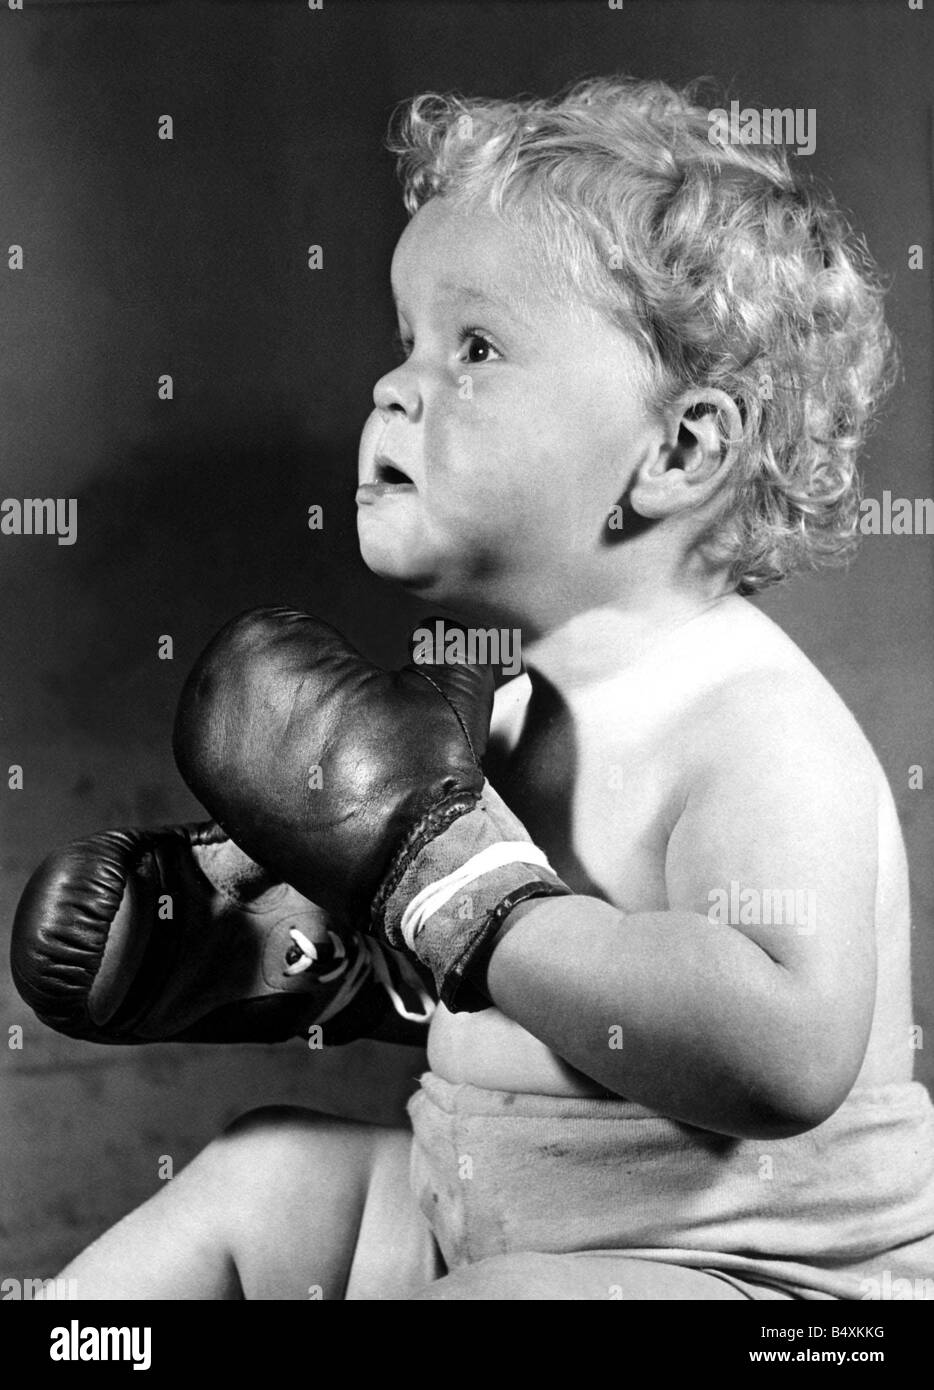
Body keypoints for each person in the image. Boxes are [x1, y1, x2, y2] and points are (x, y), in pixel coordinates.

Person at [14, 77, 934, 1301]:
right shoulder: (497, 715)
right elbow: (529, 1013)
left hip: (764, 1291)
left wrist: (464, 901)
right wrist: (318, 940)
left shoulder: (751, 727)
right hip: (493, 1221)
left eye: (476, 349)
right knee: (260, 1175)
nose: (394, 389)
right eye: (406, 345)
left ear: (679, 449)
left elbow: (785, 1056)